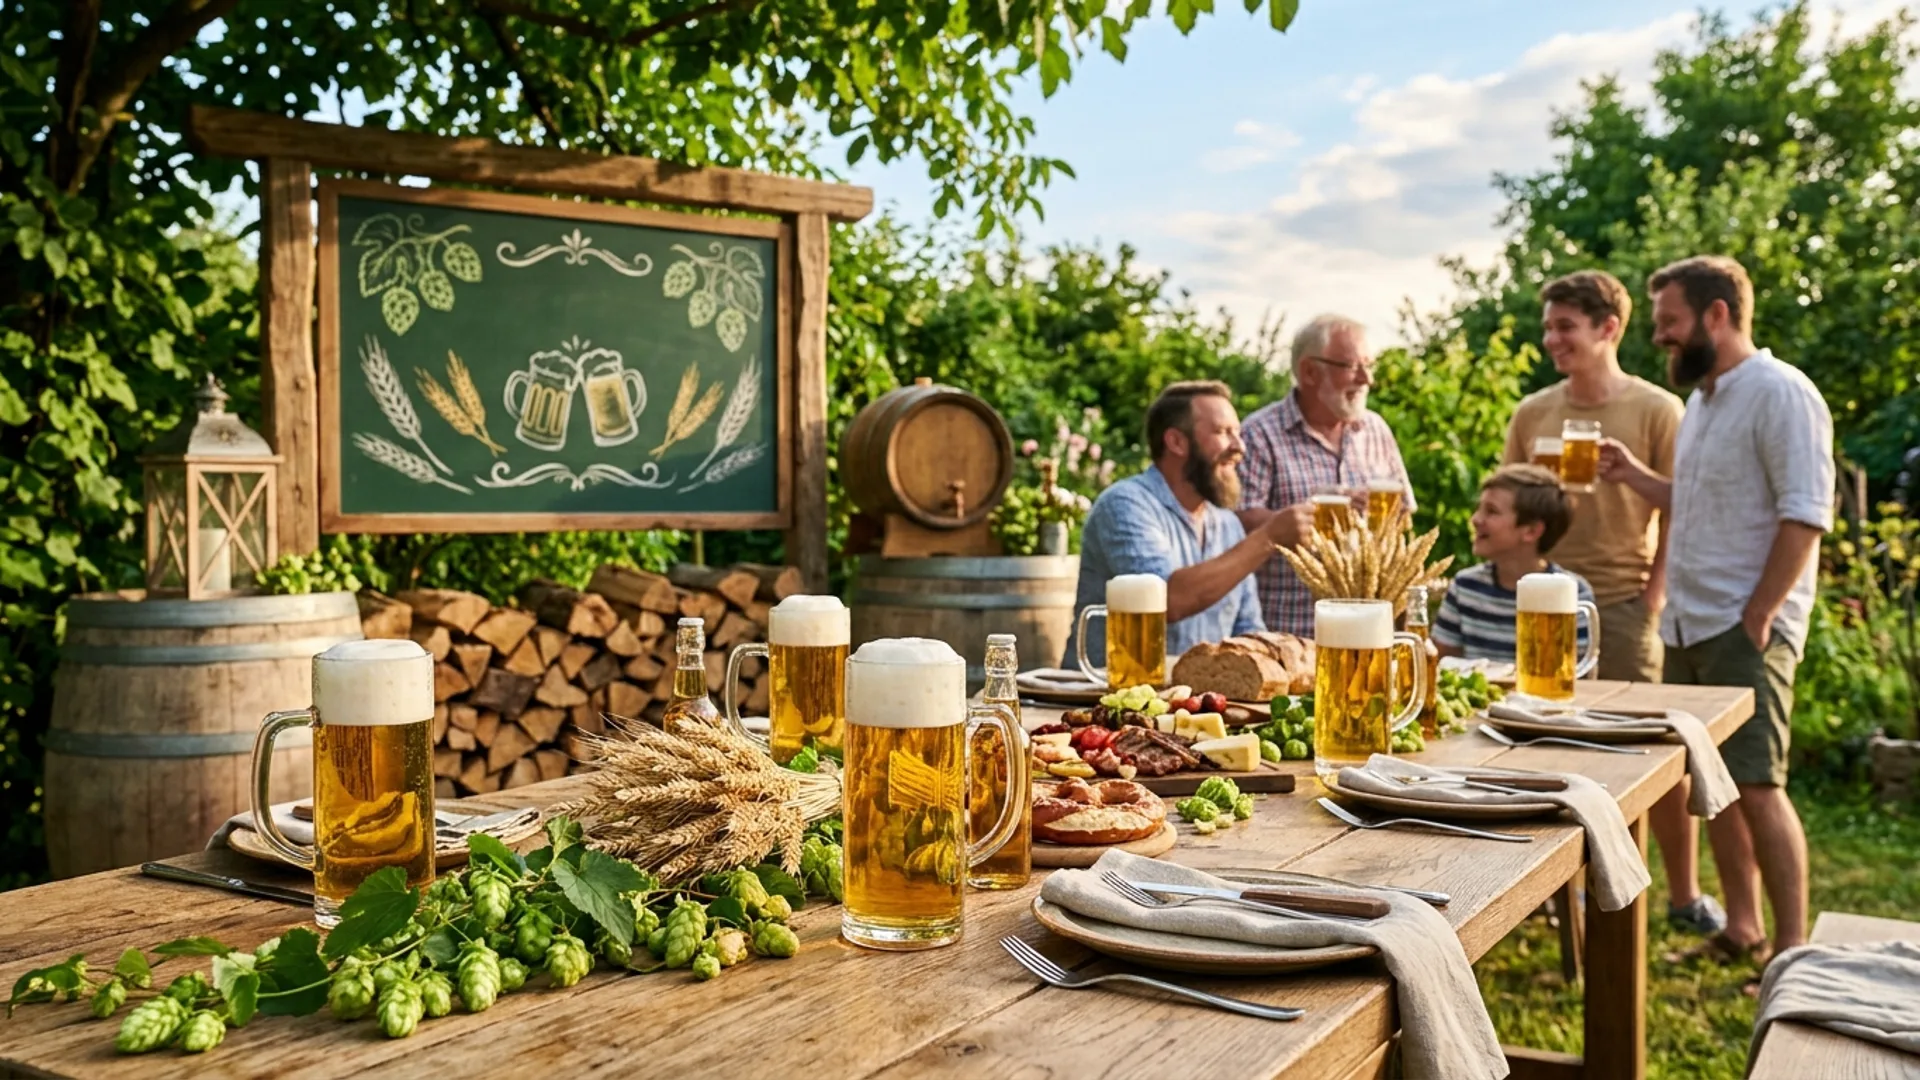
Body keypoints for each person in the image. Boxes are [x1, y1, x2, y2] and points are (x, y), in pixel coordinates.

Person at [1599, 255, 1833, 967]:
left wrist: (1760, 616)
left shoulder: (1781, 392)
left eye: (1669, 322)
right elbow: (1699, 503)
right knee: (1720, 790)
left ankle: (1790, 954)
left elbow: (1805, 516)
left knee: (1759, 786)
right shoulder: (1703, 401)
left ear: (1718, 314)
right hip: (1688, 623)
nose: (1661, 338)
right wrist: (1636, 479)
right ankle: (1741, 928)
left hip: (1742, 625)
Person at [1501, 271, 1719, 936]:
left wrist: (1653, 594)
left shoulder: (1658, 410)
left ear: (1609, 329)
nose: (1551, 339)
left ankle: (1682, 896)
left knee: (1648, 760)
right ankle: (1562, 897)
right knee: (1545, 754)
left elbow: (1684, 507)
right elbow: (1510, 498)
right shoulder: (1534, 412)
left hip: (1622, 603)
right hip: (1545, 604)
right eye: (1548, 327)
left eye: (1565, 326)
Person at [1064, 381, 1285, 667]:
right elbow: (1166, 600)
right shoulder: (1125, 504)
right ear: (1177, 442)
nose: (1239, 447)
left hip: (1189, 706)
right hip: (1100, 700)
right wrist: (1268, 538)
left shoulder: (1228, 524)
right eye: (1222, 432)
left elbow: (1248, 629)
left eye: (1238, 433)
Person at [1237, 314, 1415, 635]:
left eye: (1369, 365)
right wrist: (1309, 515)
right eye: (1351, 366)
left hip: (1365, 631)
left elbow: (1405, 518)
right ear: (1309, 372)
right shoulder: (1259, 433)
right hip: (1288, 630)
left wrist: (1378, 518)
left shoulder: (1375, 429)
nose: (1366, 379)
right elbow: (1239, 519)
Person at [1430, 465, 1595, 662]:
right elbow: (1443, 664)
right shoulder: (1465, 586)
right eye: (1479, 508)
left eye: (1491, 511)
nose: (1475, 519)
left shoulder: (1572, 592)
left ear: (1531, 531)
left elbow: (1580, 668)